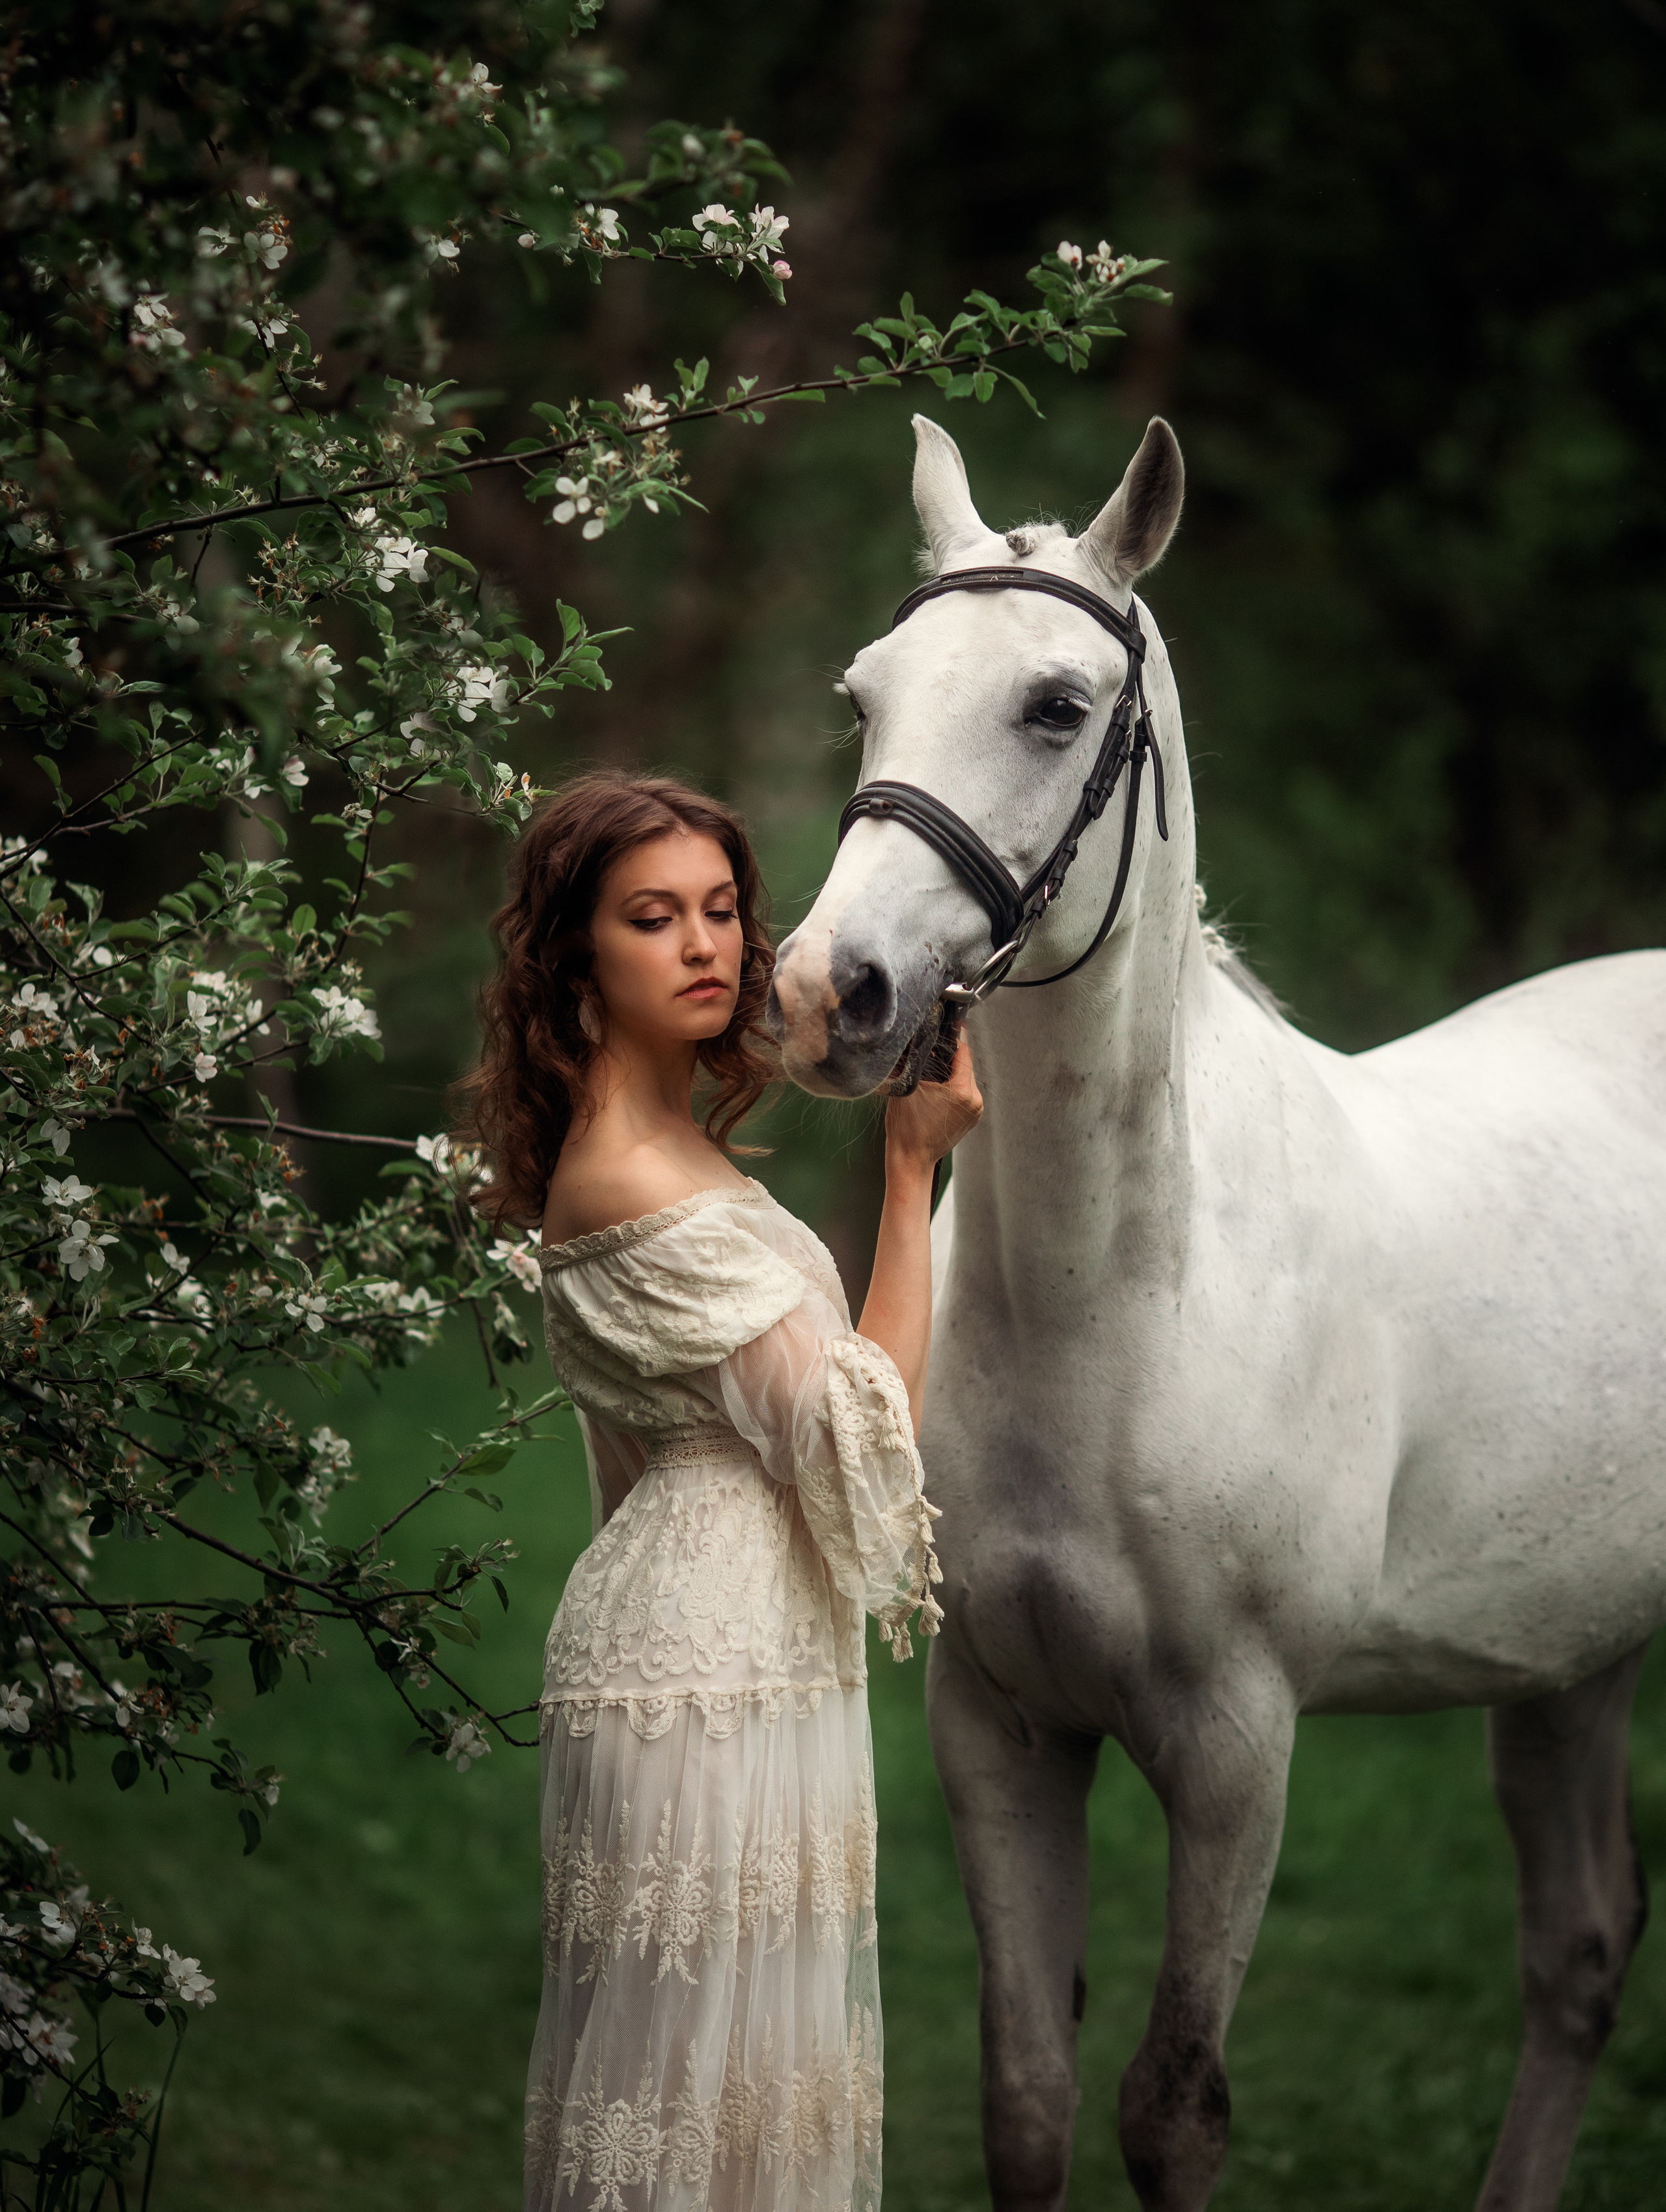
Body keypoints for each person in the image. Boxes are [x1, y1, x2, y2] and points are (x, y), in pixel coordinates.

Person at [459, 771, 981, 2212]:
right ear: (576, 956)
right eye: (650, 917)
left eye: (718, 909)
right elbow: (867, 1434)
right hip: (701, 1688)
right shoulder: (633, 1181)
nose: (701, 944)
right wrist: (908, 1169)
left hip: (728, 1662)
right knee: (689, 2112)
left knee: (745, 2111)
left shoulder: (679, 1153)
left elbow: (628, 1463)